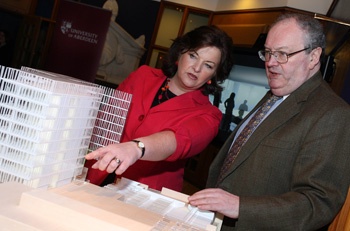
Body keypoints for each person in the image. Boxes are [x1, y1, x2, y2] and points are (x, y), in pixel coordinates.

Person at [188, 13, 350, 230]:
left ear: (313, 57)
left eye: (283, 54)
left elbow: (317, 203)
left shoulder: (333, 113)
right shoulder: (276, 93)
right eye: (268, 53)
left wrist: (240, 207)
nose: (271, 63)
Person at [85, 25, 234, 192]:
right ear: (181, 52)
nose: (197, 68)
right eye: (193, 56)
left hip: (143, 194)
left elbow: (177, 141)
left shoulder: (209, 115)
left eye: (208, 65)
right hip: (98, 172)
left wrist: (136, 148)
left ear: (214, 74)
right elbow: (107, 117)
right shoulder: (143, 76)